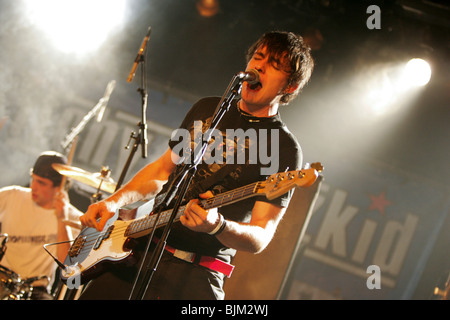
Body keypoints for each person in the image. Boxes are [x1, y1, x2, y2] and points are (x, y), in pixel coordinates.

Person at [79, 30, 314, 300]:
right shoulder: (207, 109)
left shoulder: (283, 148)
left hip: (196, 274)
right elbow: (162, 171)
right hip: (141, 249)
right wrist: (113, 203)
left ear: (290, 87)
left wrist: (218, 226)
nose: (259, 66)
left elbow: (261, 235)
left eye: (274, 65)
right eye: (258, 57)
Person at [0, 151, 83, 299]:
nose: (33, 187)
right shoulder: (11, 196)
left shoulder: (72, 217)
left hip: (36, 289)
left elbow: (68, 266)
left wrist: (61, 219)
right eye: (33, 179)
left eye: (41, 183)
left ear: (59, 187)